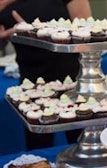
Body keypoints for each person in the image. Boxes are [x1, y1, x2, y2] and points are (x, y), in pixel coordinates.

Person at [0, 0, 91, 151]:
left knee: (82, 143)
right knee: (37, 148)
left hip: (72, 80)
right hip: (31, 83)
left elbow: (86, 32)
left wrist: (37, 31)